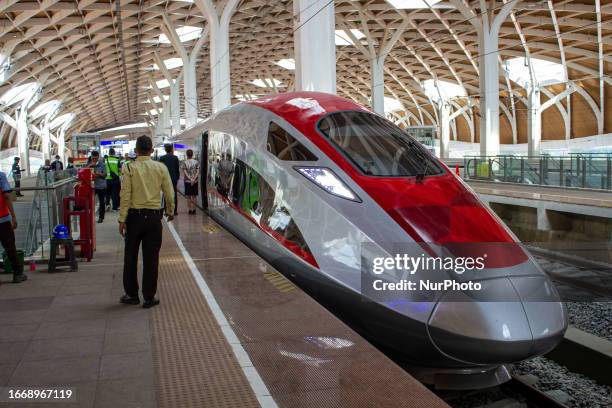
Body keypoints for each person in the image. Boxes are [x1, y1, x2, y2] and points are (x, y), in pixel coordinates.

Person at [118, 135, 174, 308]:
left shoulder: (129, 168)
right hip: (154, 219)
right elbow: (169, 192)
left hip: (134, 218)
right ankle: (149, 297)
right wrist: (170, 211)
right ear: (151, 150)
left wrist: (122, 219)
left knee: (130, 257)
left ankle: (131, 295)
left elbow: (125, 195)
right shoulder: (161, 168)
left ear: (136, 151)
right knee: (151, 258)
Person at [0, 170, 26, 283]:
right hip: (2, 219)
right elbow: (6, 195)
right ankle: (17, 274)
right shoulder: (1, 176)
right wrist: (13, 216)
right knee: (10, 246)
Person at [159, 144, 180, 215]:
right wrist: (177, 178)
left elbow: (160, 170)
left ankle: (167, 210)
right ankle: (175, 211)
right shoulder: (175, 158)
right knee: (174, 194)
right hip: (173, 179)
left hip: (165, 179)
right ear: (171, 150)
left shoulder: (162, 158)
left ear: (165, 150)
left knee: (165, 194)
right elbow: (177, 170)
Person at [88, 151, 107, 223]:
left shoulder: (102, 164)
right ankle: (90, 216)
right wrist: (89, 166)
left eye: (95, 158)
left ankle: (101, 217)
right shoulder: (89, 164)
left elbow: (105, 175)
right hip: (92, 186)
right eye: (93, 158)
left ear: (98, 157)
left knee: (102, 202)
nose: (94, 160)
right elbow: (85, 171)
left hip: (101, 186)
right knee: (89, 201)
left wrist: (98, 174)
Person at [181, 149, 200, 215]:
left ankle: (190, 210)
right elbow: (198, 171)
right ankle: (194, 210)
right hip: (195, 181)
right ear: (192, 154)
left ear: (187, 154)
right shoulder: (196, 162)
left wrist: (190, 179)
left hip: (187, 181)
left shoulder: (184, 162)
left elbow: (185, 172)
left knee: (188, 196)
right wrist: (194, 179)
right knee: (194, 196)